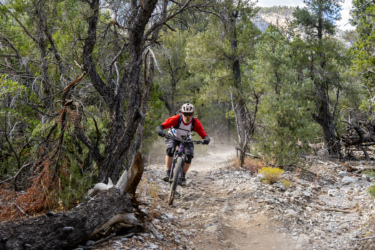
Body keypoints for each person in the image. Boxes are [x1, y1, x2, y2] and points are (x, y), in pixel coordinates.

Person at [156, 103, 210, 186]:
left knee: (189, 156)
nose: (188, 116)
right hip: (173, 137)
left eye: (190, 114)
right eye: (185, 114)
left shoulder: (195, 122)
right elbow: (162, 125)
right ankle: (168, 173)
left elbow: (202, 133)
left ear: (193, 114)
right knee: (170, 150)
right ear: (182, 113)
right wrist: (160, 130)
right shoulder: (176, 119)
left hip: (186, 140)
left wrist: (206, 138)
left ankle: (183, 177)